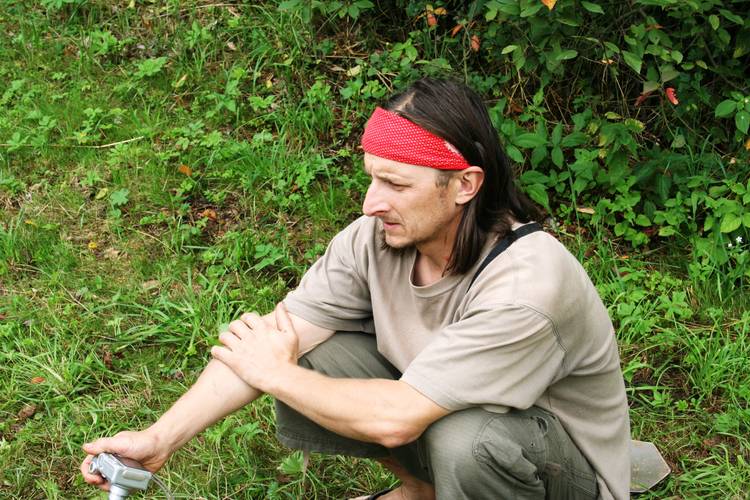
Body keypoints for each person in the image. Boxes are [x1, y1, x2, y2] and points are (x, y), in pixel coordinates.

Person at [81, 78, 630, 500]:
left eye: (395, 183)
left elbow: (396, 417)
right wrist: (160, 438)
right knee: (309, 355)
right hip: (452, 419)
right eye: (372, 177)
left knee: (469, 439)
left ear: (465, 184)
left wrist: (275, 373)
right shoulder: (376, 239)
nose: (371, 202)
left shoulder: (526, 286)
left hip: (562, 472)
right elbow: (274, 339)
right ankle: (422, 490)